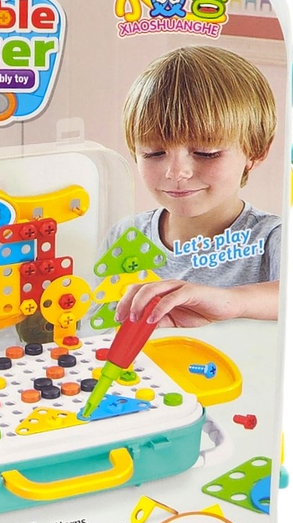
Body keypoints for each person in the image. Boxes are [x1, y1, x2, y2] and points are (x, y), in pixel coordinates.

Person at [104, 46, 281, 324]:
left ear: (255, 151)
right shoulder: (125, 235)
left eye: (206, 153)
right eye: (154, 153)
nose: (176, 172)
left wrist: (230, 302)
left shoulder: (273, 237)